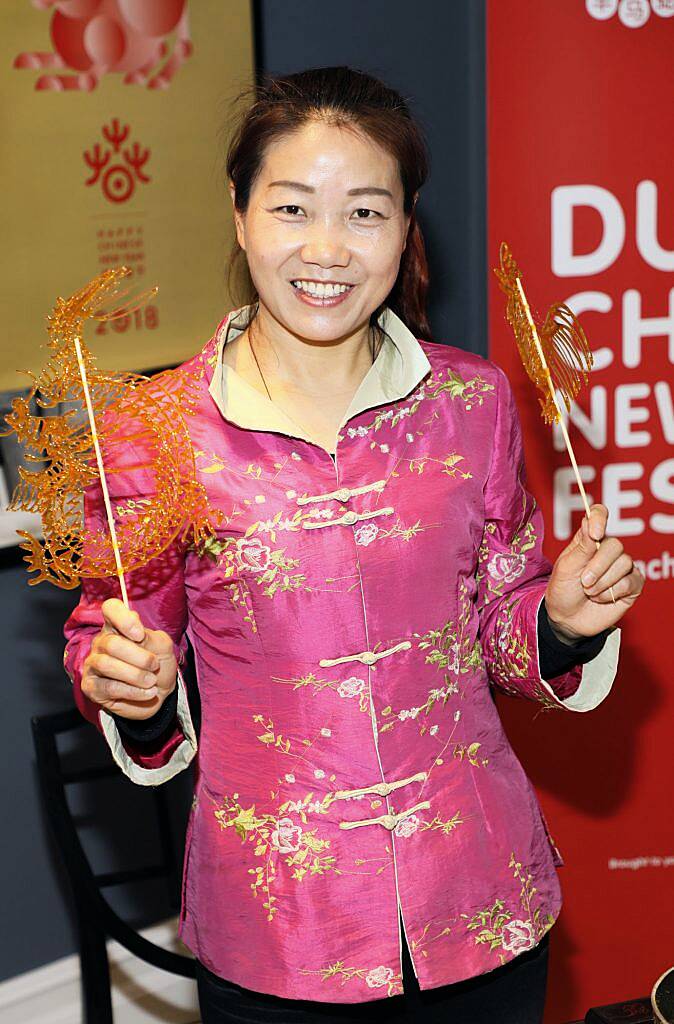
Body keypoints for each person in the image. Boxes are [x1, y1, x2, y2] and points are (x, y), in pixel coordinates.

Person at [63, 66, 644, 1024]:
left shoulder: (470, 401)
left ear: (406, 225)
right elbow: (109, 634)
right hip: (281, 924)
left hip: (482, 897)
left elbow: (501, 618)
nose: (327, 247)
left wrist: (563, 622)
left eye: (365, 213)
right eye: (293, 207)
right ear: (241, 213)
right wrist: (130, 683)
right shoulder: (149, 434)